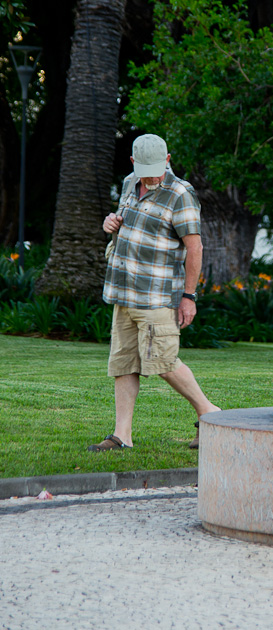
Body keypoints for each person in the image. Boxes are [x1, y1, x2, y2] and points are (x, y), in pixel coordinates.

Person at [88, 134, 220, 452]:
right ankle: (122, 436)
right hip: (124, 292)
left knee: (163, 361)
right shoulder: (128, 183)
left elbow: (195, 248)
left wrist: (189, 297)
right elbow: (127, 224)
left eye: (157, 170)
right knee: (124, 364)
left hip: (157, 295)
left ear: (168, 160)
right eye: (145, 171)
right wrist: (110, 223)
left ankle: (210, 413)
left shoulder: (180, 194)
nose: (152, 177)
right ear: (133, 163)